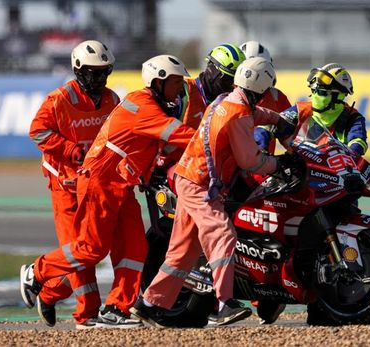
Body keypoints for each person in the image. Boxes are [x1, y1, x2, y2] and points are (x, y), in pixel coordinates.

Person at [20, 54, 197, 329]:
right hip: (100, 181)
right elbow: (179, 135)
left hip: (123, 185)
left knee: (136, 248)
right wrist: (216, 135)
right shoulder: (143, 105)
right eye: (175, 82)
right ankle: (38, 272)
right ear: (158, 82)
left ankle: (116, 308)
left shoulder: (132, 101)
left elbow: (154, 145)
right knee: (91, 250)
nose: (179, 89)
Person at [130, 57, 295, 328]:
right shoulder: (238, 112)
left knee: (182, 252)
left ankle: (147, 304)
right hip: (198, 183)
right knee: (222, 233)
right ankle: (223, 304)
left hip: (189, 178)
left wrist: (276, 119)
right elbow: (250, 161)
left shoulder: (227, 101)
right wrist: (281, 162)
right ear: (262, 89)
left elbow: (256, 114)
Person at [27, 40, 119, 329]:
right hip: (64, 186)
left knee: (89, 250)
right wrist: (70, 150)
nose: (98, 79)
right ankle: (87, 314)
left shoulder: (112, 100)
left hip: (94, 186)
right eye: (92, 73)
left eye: (103, 72)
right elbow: (37, 132)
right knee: (78, 252)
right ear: (78, 71)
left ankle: (50, 292)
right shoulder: (59, 99)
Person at [240, 40, 292, 324]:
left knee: (272, 232)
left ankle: (268, 291)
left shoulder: (277, 97)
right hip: (234, 173)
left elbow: (290, 134)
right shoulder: (228, 97)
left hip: (265, 173)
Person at [255, 63, 368, 156]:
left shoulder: (353, 117)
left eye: (321, 92)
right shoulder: (301, 110)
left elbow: (358, 142)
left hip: (337, 173)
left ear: (339, 96)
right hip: (299, 171)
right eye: (314, 91)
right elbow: (270, 126)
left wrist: (351, 154)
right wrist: (261, 144)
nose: (315, 96)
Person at [180, 43, 246, 130]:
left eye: (236, 82)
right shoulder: (183, 91)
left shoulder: (231, 102)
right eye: (228, 79)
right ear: (212, 70)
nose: (232, 86)